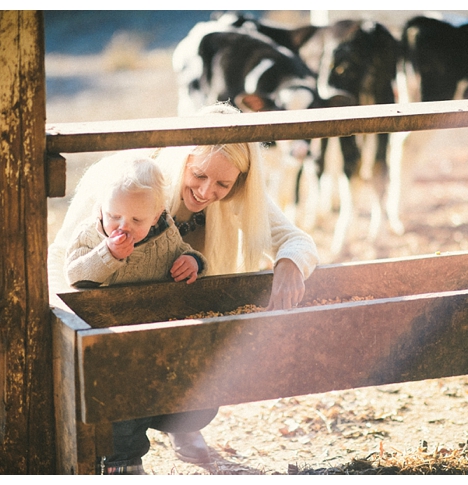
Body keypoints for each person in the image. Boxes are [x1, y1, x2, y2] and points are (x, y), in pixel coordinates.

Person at [47, 102, 319, 474]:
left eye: (223, 183)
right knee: (121, 385)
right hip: (117, 311)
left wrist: (289, 264)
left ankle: (181, 424)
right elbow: (65, 254)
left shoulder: (238, 195)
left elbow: (296, 239)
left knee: (201, 402)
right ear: (184, 159)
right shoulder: (134, 185)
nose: (208, 191)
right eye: (200, 175)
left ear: (238, 181)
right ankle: (124, 457)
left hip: (181, 311)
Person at [63, 156, 206, 288]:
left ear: (155, 217)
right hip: (103, 311)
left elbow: (182, 252)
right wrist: (109, 254)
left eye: (137, 220)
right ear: (101, 208)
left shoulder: (165, 234)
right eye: (114, 216)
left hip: (156, 310)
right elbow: (74, 278)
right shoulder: (89, 234)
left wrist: (193, 262)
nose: (124, 227)